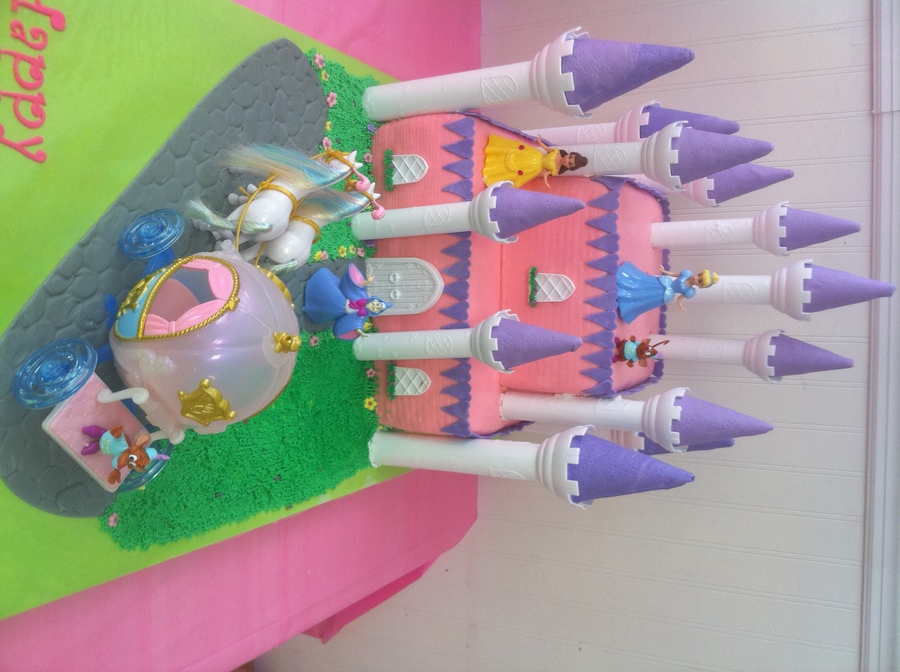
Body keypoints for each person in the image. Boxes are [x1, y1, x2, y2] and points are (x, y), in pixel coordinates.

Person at [302, 264, 392, 339]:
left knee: (324, 309)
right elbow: (359, 287)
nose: (374, 306)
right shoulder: (363, 296)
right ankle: (314, 288)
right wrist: (367, 282)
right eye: (376, 304)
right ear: (374, 300)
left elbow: (357, 325)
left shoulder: (362, 315)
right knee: (326, 289)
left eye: (376, 308)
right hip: (338, 294)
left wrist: (360, 333)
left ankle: (310, 308)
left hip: (337, 310)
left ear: (375, 312)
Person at [616, 262, 718, 324]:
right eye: (699, 275)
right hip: (663, 283)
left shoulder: (690, 291)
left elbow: (679, 298)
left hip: (664, 295)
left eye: (699, 281)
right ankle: (628, 284)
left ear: (699, 286)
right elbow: (673, 274)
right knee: (645, 284)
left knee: (646, 298)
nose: (696, 278)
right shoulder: (686, 274)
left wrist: (681, 305)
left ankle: (627, 300)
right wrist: (664, 271)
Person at [482, 134, 587, 188]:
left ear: (568, 167)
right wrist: (539, 141)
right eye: (570, 157)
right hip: (534, 155)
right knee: (516, 153)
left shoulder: (557, 170)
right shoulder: (557, 152)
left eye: (569, 163)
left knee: (516, 170)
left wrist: (546, 183)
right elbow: (546, 148)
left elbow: (546, 174)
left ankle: (493, 171)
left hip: (534, 168)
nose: (566, 160)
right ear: (569, 154)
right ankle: (494, 154)